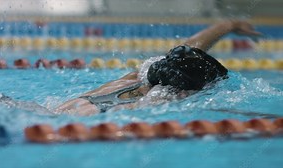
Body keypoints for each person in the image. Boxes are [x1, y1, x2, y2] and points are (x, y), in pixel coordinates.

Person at [55, 20, 262, 116]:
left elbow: (189, 49)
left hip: (67, 107)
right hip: (88, 119)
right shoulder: (168, 98)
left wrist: (228, 25)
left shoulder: (136, 78)